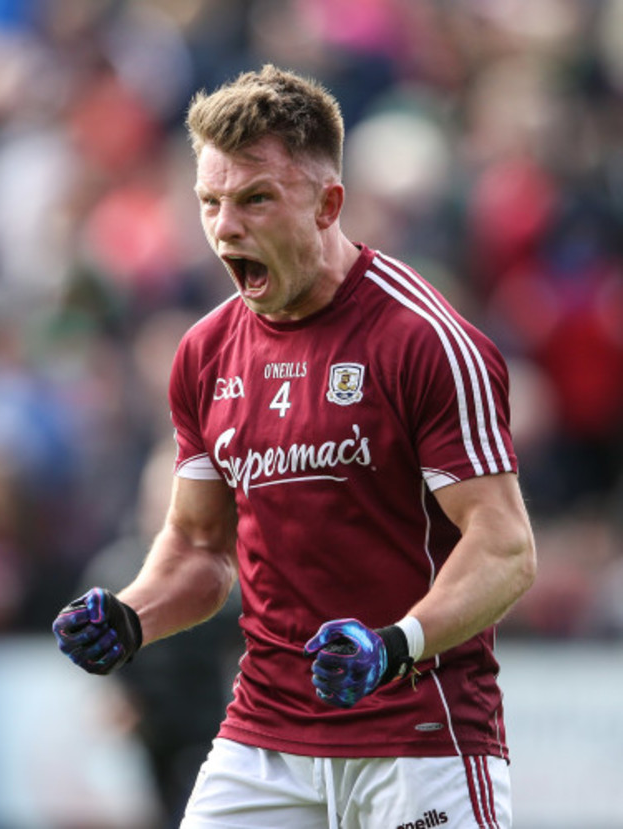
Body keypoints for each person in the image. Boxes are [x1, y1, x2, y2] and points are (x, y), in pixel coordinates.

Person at [52, 64, 537, 829]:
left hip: (419, 739)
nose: (224, 228)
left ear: (327, 204)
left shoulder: (426, 340)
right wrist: (132, 614)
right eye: (210, 203)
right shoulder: (205, 354)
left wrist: (394, 643)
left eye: (254, 199)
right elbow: (200, 547)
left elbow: (506, 546)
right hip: (264, 741)